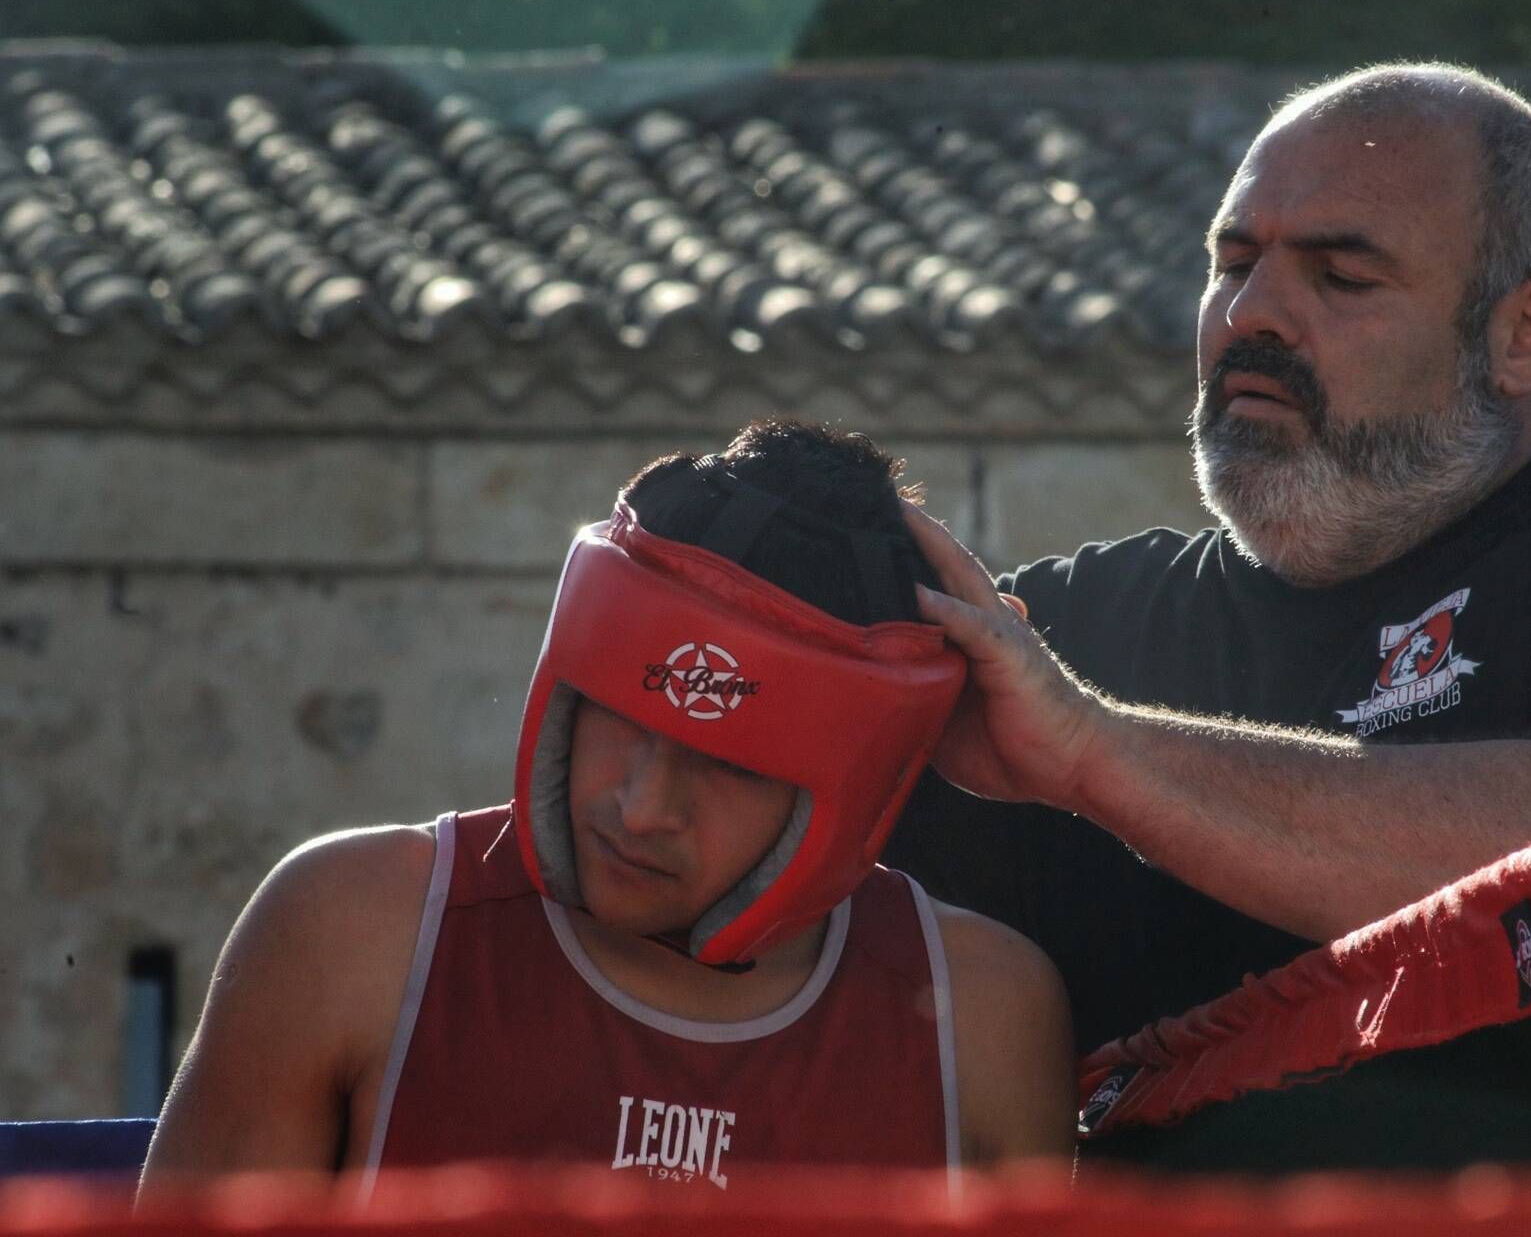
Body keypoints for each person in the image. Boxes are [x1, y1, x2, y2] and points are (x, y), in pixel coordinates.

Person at [885, 63, 1531, 1176]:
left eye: (1341, 274)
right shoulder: (1083, 627)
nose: (1250, 313)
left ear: (1526, 333)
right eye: (1232, 262)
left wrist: (1095, 752)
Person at [141, 421, 1075, 1196]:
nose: (641, 807)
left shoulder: (977, 1018)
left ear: (855, 785)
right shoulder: (355, 932)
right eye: (621, 720)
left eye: (732, 766)